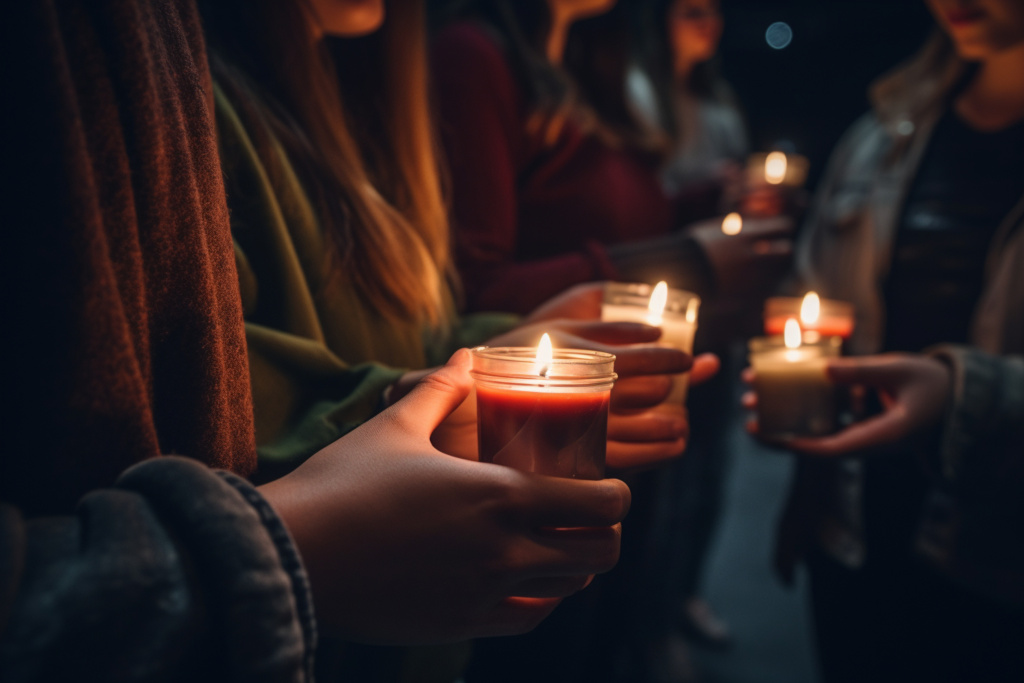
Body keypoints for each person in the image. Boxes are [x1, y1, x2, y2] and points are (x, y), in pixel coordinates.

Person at [0, 0, 642, 679]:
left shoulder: (347, 113)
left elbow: (402, 329)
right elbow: (215, 382)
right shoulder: (201, 106)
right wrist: (388, 410)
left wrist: (506, 342)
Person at [747, 0, 1024, 680]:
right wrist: (806, 490)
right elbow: (812, 307)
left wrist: (964, 393)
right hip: (859, 525)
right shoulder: (880, 135)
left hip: (1000, 549)